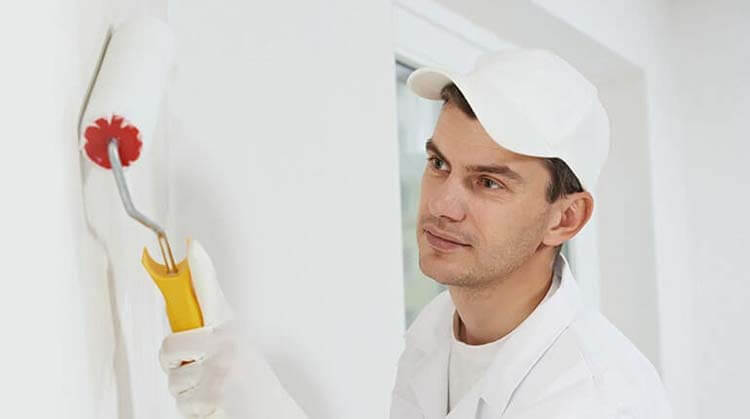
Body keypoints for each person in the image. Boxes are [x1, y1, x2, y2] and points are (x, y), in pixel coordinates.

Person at [158, 49, 673, 418]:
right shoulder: (438, 329)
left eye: (488, 182)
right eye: (438, 163)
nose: (442, 205)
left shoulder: (597, 397)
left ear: (565, 218)